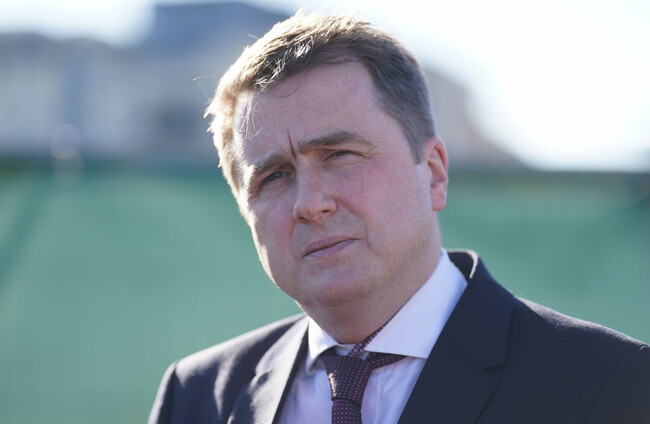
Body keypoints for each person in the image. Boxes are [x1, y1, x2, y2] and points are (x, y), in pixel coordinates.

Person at [149, 12, 650, 424]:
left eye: (339, 155)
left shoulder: (608, 384)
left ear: (433, 173)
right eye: (274, 177)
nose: (310, 203)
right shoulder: (196, 398)